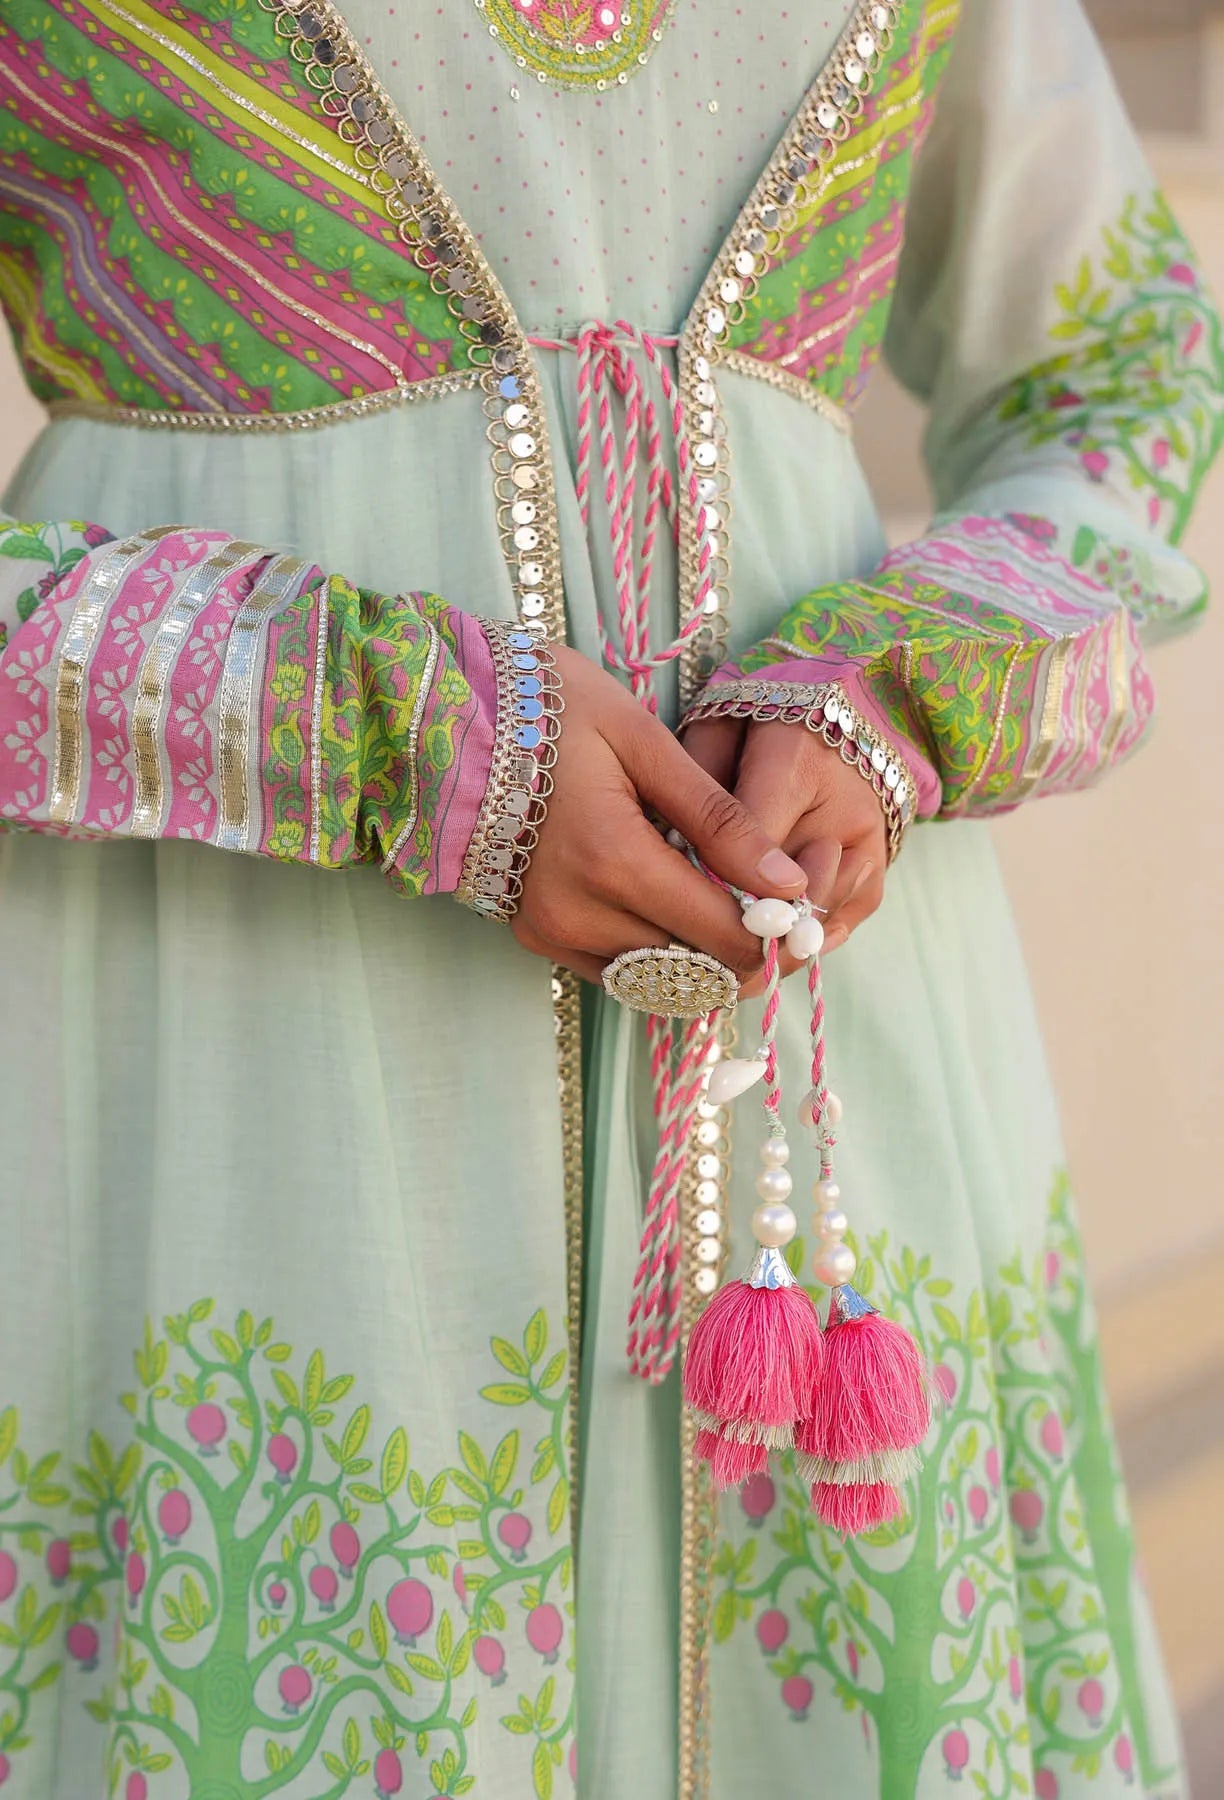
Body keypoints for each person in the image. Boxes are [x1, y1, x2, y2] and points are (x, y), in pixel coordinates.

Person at [0, 0, 1218, 1794]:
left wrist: (899, 695)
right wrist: (381, 727)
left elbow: (1118, 382)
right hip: (228, 1061)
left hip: (822, 1103)